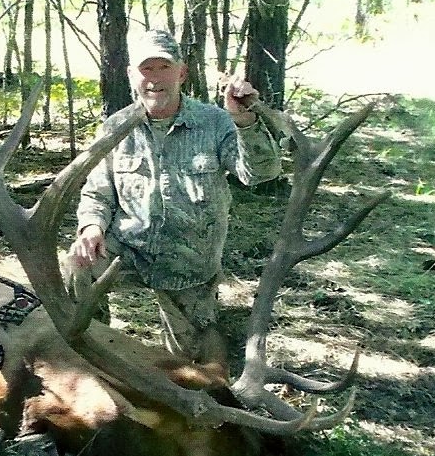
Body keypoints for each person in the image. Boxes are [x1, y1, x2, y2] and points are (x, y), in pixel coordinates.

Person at [67, 29, 281, 368]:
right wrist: (91, 226)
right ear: (131, 75)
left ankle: (206, 332)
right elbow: (97, 192)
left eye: (163, 68)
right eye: (145, 69)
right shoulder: (116, 127)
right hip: (130, 250)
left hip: (189, 265)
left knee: (189, 372)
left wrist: (245, 121)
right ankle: (88, 352)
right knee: (78, 264)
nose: (154, 79)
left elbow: (260, 173)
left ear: (181, 73)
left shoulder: (216, 122)